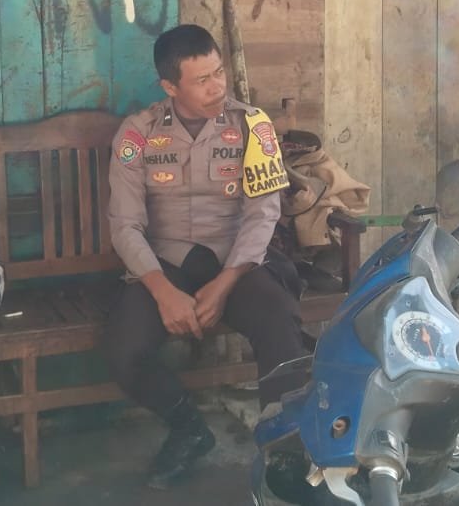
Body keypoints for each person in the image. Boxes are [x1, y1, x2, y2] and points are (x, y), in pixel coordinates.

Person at [102, 24, 306, 489]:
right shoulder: (137, 133)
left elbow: (263, 214)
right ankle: (189, 429)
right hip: (166, 264)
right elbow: (125, 225)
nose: (217, 87)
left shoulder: (252, 125)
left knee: (279, 320)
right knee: (122, 349)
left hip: (235, 260)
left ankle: (284, 448)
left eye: (219, 73)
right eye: (201, 80)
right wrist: (162, 291)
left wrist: (225, 283)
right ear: (170, 87)